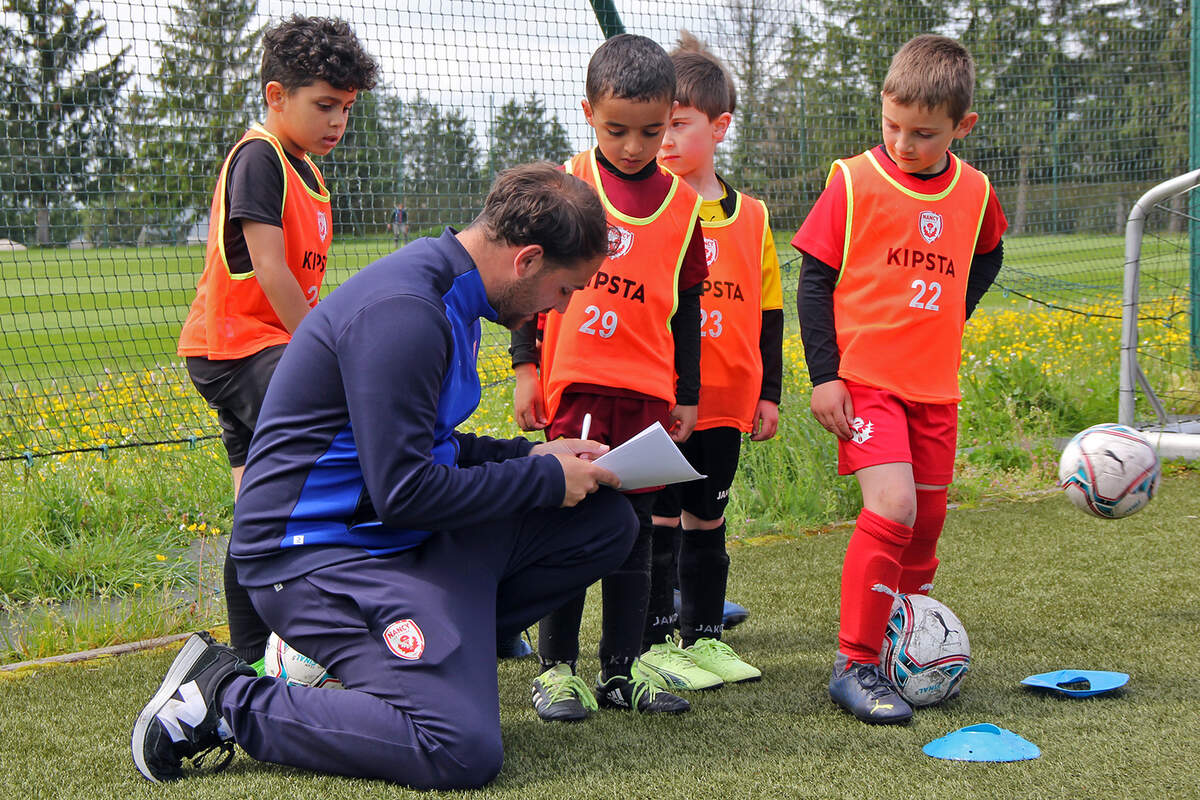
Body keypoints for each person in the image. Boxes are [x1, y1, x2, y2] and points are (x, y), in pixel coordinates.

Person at [131, 163, 636, 789]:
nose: (564, 307)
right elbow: (405, 491)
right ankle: (225, 697)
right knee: (459, 749)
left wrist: (531, 457)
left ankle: (418, 656)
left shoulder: (453, 293)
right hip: (313, 558)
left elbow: (430, 448)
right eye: (567, 289)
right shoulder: (407, 311)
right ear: (528, 260)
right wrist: (542, 482)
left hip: (387, 536)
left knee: (603, 521)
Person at [792, 34, 1007, 724]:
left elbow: (991, 254)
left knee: (928, 524)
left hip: (935, 388)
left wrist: (954, 313)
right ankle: (852, 663)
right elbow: (814, 277)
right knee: (894, 507)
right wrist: (826, 376)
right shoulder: (854, 180)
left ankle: (899, 640)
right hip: (868, 382)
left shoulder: (974, 191)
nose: (903, 143)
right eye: (892, 126)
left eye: (923, 134)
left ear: (961, 128)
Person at [509, 33, 707, 721]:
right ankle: (556, 670)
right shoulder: (567, 185)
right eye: (616, 129)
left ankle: (622, 670)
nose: (632, 145)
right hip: (578, 387)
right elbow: (524, 282)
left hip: (648, 395)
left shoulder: (684, 208)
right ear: (589, 111)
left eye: (651, 131)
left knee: (635, 533)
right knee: (570, 524)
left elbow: (687, 310)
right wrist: (526, 367)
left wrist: (688, 392)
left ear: (670, 118)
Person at [175, 15, 378, 668]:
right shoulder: (260, 157)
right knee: (341, 457)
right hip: (238, 350)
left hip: (260, 351)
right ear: (275, 95)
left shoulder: (310, 174)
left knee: (255, 505)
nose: (337, 122)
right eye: (324, 105)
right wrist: (326, 350)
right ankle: (343, 623)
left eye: (345, 108)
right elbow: (270, 269)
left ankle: (249, 658)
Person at [636, 33, 783, 692]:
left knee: (708, 518)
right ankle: (650, 641)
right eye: (657, 124)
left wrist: (769, 393)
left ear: (718, 127)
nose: (663, 139)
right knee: (658, 519)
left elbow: (770, 316)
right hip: (663, 404)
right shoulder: (648, 215)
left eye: (677, 124)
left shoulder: (752, 218)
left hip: (727, 403)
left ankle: (705, 638)